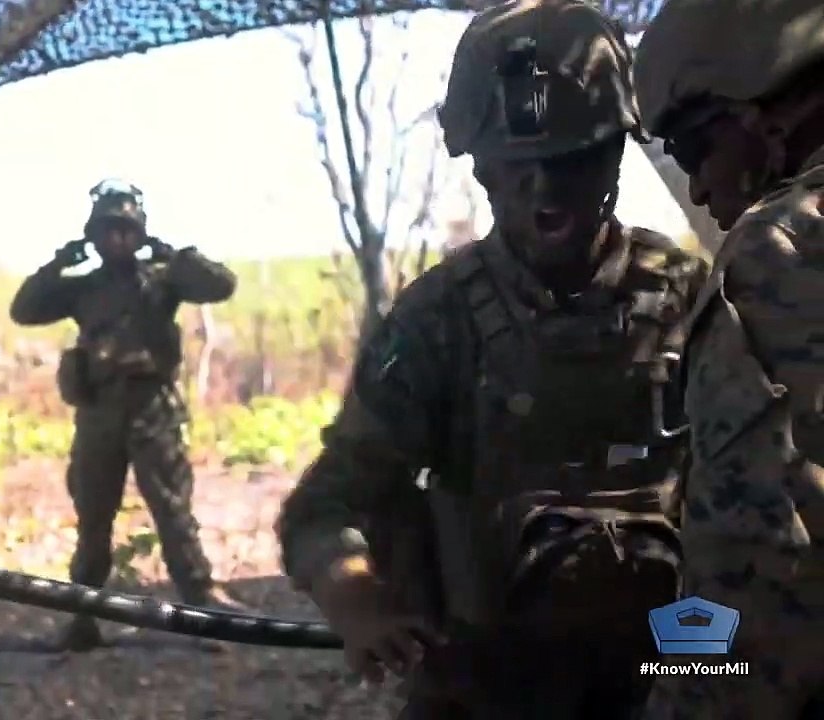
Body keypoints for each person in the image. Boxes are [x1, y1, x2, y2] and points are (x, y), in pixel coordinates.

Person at [276, 1, 711, 717]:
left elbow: (756, 491)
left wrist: (719, 666)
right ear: (480, 168)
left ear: (614, 152)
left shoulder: (688, 299)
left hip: (664, 664)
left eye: (572, 159)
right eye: (517, 165)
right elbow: (328, 505)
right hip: (487, 681)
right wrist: (357, 598)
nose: (545, 190)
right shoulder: (435, 320)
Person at [632, 1, 824, 717]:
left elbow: (753, 578)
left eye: (691, 149)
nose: (701, 191)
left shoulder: (781, 253)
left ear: (761, 117)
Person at [10, 179, 246, 652]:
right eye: (108, 231)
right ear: (94, 237)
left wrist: (175, 255)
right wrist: (59, 263)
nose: (117, 239)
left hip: (152, 409)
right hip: (99, 412)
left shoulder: (163, 279)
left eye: (126, 230)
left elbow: (221, 285)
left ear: (140, 233)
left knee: (173, 512)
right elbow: (25, 309)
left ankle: (202, 607)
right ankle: (85, 613)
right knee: (93, 515)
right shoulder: (83, 290)